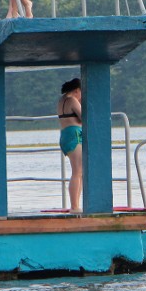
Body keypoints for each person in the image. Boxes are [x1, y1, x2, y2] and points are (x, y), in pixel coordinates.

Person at [57, 78, 82, 213]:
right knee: (77, 172)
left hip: (65, 134)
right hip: (74, 134)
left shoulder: (61, 100)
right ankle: (74, 206)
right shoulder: (72, 100)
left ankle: (76, 204)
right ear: (77, 90)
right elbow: (85, 116)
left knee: (78, 171)